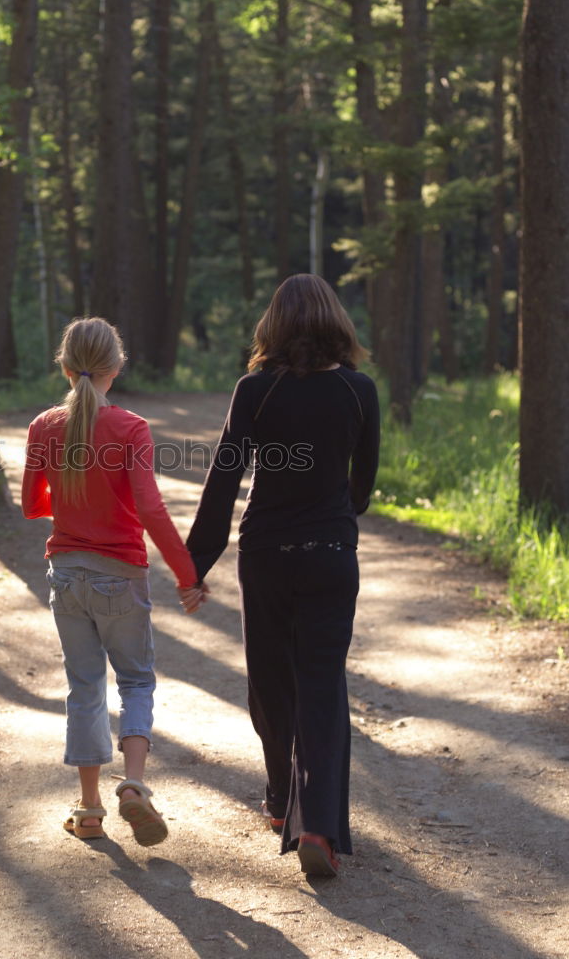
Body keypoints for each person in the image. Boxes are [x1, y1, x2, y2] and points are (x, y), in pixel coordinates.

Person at [185, 274, 380, 878]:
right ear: (335, 325)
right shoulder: (358, 391)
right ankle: (317, 822)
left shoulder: (255, 391)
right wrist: (335, 511)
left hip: (266, 554)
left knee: (271, 682)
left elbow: (223, 481)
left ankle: (278, 801)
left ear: (273, 326)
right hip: (330, 552)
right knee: (322, 683)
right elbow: (363, 488)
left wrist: (194, 565)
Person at [22, 317, 207, 847]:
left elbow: (32, 505)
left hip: (67, 574)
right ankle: (134, 786)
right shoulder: (130, 428)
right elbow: (150, 508)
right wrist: (187, 575)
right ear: (117, 368)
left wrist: (73, 497)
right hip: (122, 576)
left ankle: (89, 809)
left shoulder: (43, 426)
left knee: (84, 688)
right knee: (136, 681)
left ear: (63, 365)